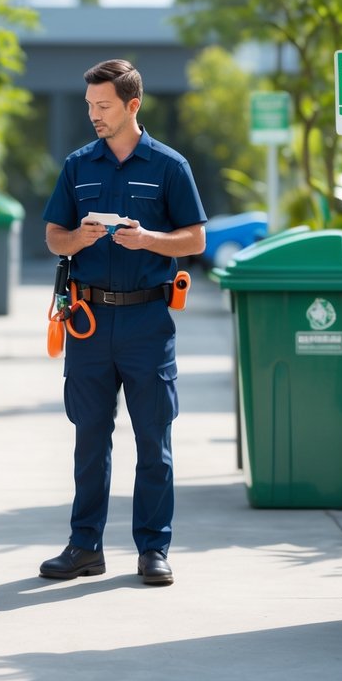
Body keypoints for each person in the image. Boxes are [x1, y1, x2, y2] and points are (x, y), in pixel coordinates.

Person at [39, 59, 207, 586]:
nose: (94, 115)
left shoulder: (170, 166)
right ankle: (84, 547)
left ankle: (153, 549)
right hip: (88, 322)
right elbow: (54, 236)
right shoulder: (77, 166)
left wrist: (149, 240)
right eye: (90, 105)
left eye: (104, 106)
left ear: (133, 105)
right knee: (90, 439)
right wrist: (79, 238)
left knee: (153, 441)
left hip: (147, 324)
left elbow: (196, 238)